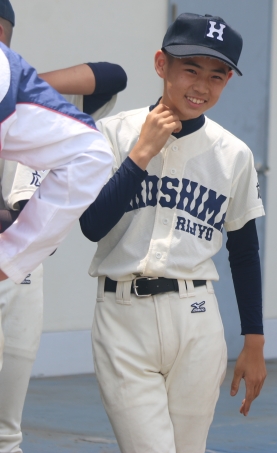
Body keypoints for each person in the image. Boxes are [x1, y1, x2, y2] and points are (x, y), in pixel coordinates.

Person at [78, 13, 266, 453]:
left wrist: (254, 341)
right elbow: (91, 225)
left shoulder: (234, 154)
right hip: (122, 314)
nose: (201, 86)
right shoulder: (112, 133)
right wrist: (141, 154)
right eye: (190, 70)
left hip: (196, 315)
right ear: (162, 64)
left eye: (216, 76)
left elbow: (243, 251)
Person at [0, 4, 128, 451]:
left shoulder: (35, 99)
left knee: (5, 428)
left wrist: (26, 83)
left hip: (19, 268)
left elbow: (112, 76)